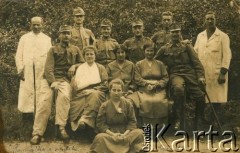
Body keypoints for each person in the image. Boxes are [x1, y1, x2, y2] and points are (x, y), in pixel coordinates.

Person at [30, 25, 84, 145]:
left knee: (64, 97)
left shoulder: (75, 49)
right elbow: (48, 68)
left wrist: (74, 66)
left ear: (71, 36)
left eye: (68, 33)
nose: (66, 36)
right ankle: (37, 133)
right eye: (64, 33)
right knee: (45, 100)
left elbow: (82, 63)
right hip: (49, 80)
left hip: (65, 80)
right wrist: (52, 82)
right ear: (59, 35)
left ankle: (61, 128)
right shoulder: (53, 49)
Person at [155, 24, 206, 131]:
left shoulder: (187, 46)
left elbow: (196, 63)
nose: (175, 34)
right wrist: (163, 68)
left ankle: (198, 123)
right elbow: (155, 61)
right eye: (173, 32)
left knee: (200, 96)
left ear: (180, 33)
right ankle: (178, 118)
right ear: (170, 34)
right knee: (178, 89)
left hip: (189, 74)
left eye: (177, 32)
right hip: (175, 74)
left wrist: (200, 76)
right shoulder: (165, 48)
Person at [194, 11, 232, 123]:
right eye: (208, 19)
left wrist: (223, 73)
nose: (210, 21)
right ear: (204, 21)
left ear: (215, 20)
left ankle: (217, 124)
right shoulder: (200, 36)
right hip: (203, 73)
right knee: (202, 99)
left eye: (212, 19)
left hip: (217, 73)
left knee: (217, 100)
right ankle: (203, 124)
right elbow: (195, 53)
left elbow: (227, 55)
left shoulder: (223, 36)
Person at [90, 79, 144, 153]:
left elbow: (132, 121)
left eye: (119, 90)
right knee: (99, 137)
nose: (116, 93)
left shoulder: (128, 104)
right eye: (114, 90)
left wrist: (124, 134)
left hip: (126, 134)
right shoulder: (104, 106)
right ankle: (125, 149)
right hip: (110, 135)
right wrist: (113, 135)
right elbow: (100, 124)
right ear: (110, 91)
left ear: (122, 91)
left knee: (140, 133)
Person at [15, 17, 52, 120]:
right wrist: (20, 69)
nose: (36, 27)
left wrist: (47, 71)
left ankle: (40, 117)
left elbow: (50, 57)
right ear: (30, 25)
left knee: (41, 92)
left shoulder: (46, 39)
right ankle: (26, 117)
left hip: (41, 70)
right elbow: (18, 55)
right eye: (34, 24)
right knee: (27, 91)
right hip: (27, 70)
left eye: (38, 24)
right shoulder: (24, 38)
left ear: (42, 25)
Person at [69, 45, 108, 132]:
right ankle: (81, 124)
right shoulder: (79, 68)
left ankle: (86, 120)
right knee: (77, 102)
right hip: (81, 93)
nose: (89, 56)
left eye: (91, 54)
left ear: (95, 55)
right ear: (84, 56)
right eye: (87, 54)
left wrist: (93, 89)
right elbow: (75, 86)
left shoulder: (100, 68)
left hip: (98, 91)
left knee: (93, 95)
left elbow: (105, 84)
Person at [129, 42, 169, 127]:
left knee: (158, 101)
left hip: (158, 90)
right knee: (146, 101)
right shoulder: (139, 64)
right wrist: (146, 83)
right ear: (144, 51)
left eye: (151, 51)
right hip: (144, 89)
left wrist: (157, 84)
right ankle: (146, 126)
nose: (149, 53)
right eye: (147, 51)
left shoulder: (160, 64)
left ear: (154, 52)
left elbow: (165, 78)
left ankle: (159, 126)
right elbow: (137, 78)